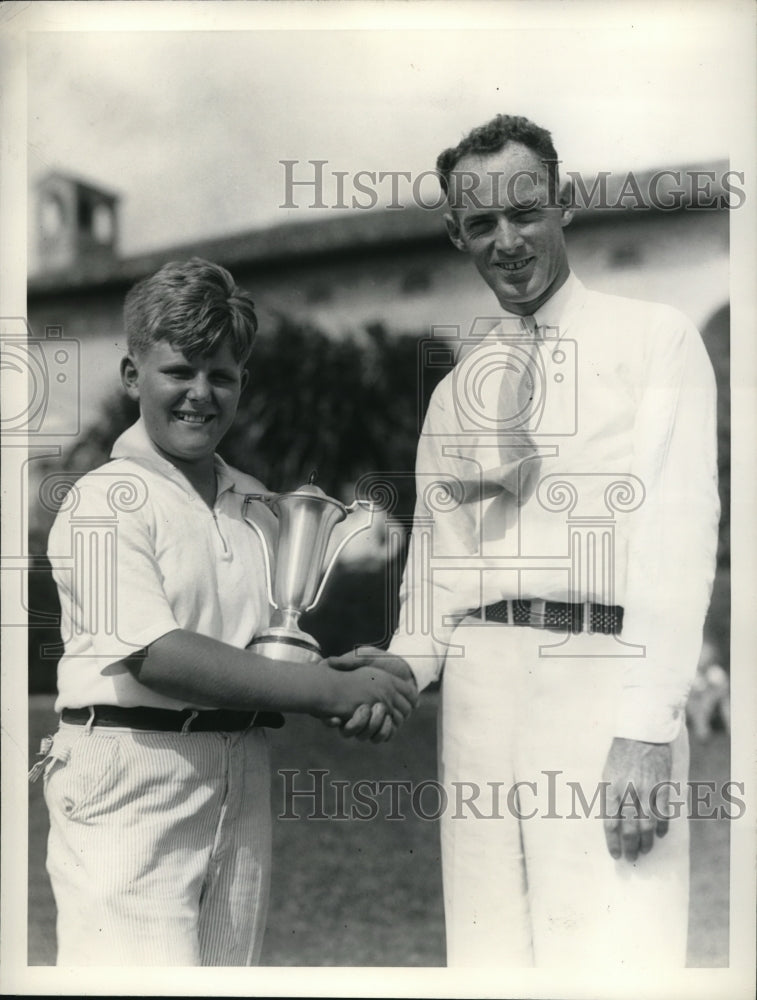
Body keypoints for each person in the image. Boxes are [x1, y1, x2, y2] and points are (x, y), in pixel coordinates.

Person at [331, 115, 720, 967]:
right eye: (481, 224)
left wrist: (648, 729)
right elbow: (435, 568)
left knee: (620, 959)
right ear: (455, 234)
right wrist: (398, 668)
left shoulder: (654, 340)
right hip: (477, 699)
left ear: (563, 203)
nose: (506, 242)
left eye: (525, 212)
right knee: (489, 961)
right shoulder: (457, 389)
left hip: (604, 683)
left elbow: (681, 536)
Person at [32, 257, 417, 966]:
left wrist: (352, 677)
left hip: (238, 770)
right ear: (131, 376)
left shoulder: (254, 501)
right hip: (126, 777)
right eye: (179, 371)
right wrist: (328, 692)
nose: (201, 395)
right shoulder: (98, 501)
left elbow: (259, 651)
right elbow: (161, 656)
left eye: (222, 375)